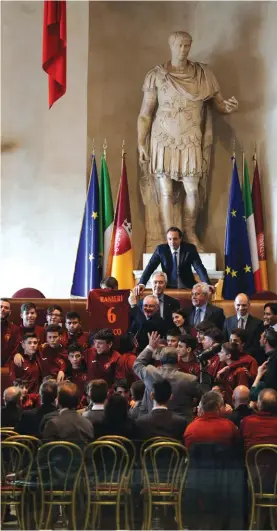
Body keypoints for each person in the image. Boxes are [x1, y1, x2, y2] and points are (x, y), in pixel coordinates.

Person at [137, 31, 238, 251]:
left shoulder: (203, 75)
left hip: (191, 136)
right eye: (179, 45)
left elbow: (218, 103)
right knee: (165, 189)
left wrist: (227, 107)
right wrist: (141, 142)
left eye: (187, 46)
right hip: (162, 137)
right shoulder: (156, 76)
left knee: (192, 188)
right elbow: (146, 113)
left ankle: (189, 233)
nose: (183, 49)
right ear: (171, 46)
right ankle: (167, 238)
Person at [133, 332, 202, 420]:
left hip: (153, 422)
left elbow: (137, 364)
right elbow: (203, 395)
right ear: (177, 359)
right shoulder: (189, 379)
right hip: (180, 427)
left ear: (161, 359)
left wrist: (150, 347)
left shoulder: (149, 372)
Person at [135, 227, 211, 291]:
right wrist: (142, 283)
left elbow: (199, 267)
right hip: (168, 287)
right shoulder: (161, 250)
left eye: (175, 239)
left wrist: (207, 284)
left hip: (187, 286)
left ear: (180, 239)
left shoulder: (189, 249)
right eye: (169, 239)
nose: (172, 242)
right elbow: (150, 267)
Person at [223, 293, 263, 358]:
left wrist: (242, 356)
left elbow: (256, 346)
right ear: (234, 305)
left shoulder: (258, 323)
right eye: (238, 305)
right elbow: (225, 342)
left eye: (244, 305)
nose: (241, 308)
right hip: (231, 358)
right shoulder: (228, 321)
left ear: (249, 305)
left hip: (249, 358)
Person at [250, 327, 277, 401]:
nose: (259, 340)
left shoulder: (273, 360)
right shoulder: (271, 357)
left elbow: (253, 396)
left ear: (265, 340)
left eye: (261, 338)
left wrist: (259, 374)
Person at [1, 298, 20, 366]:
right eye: (0, 307)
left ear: (10, 312)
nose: (3, 309)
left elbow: (15, 350)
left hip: (6, 368)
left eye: (6, 308)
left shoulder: (14, 329)